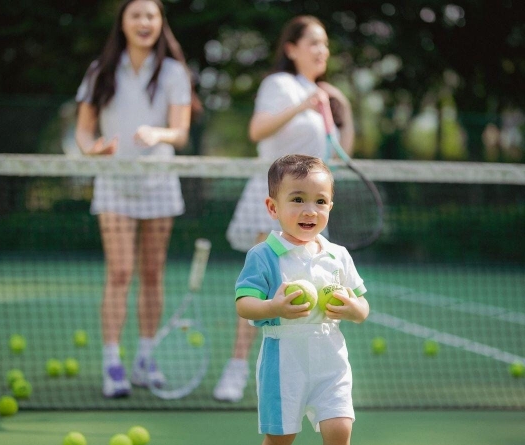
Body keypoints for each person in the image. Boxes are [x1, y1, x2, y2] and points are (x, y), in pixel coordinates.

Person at [214, 15, 355, 402]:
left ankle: (302, 374)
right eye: (312, 42)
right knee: (264, 283)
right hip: (277, 201)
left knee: (307, 290)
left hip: (309, 208)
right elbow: (258, 130)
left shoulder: (324, 96)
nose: (321, 50)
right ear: (291, 49)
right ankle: (236, 367)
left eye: (325, 44)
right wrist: (302, 104)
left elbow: (340, 155)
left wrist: (340, 107)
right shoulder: (280, 85)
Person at [235, 154, 368, 445]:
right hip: (283, 360)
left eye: (320, 201)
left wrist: (352, 310)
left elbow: (363, 307)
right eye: (297, 199)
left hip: (330, 359)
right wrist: (274, 307)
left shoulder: (338, 256)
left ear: (330, 206)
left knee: (340, 429)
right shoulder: (262, 255)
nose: (310, 210)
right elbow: (244, 304)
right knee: (279, 438)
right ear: (272, 206)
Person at [75, 0, 192, 398]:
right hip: (113, 184)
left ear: (161, 23)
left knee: (153, 273)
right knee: (121, 271)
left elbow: (180, 131)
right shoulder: (101, 70)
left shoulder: (174, 72)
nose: (144, 22)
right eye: (136, 15)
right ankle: (113, 362)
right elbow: (83, 132)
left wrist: (158, 134)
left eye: (152, 15)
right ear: (123, 23)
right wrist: (92, 150)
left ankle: (145, 357)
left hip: (159, 182)